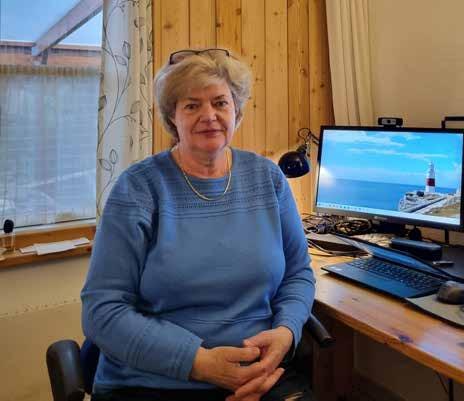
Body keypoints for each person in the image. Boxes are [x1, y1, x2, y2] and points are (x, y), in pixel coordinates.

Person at [81, 48, 316, 401]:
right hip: (153, 381)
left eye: (220, 103)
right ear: (172, 117)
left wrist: (286, 332)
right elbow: (102, 310)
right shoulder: (139, 188)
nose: (209, 116)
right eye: (192, 106)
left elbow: (298, 273)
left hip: (260, 373)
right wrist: (200, 364)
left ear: (237, 112)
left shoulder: (268, 178)